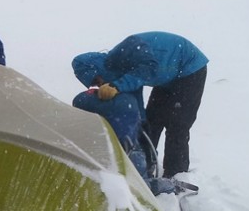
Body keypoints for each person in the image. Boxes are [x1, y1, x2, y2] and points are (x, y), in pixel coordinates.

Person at [72, 32, 208, 178]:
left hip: (189, 69)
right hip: (166, 73)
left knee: (177, 125)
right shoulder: (107, 61)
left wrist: (117, 86)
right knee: (153, 119)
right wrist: (95, 82)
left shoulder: (138, 59)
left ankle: (176, 175)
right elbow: (78, 61)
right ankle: (146, 165)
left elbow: (149, 69)